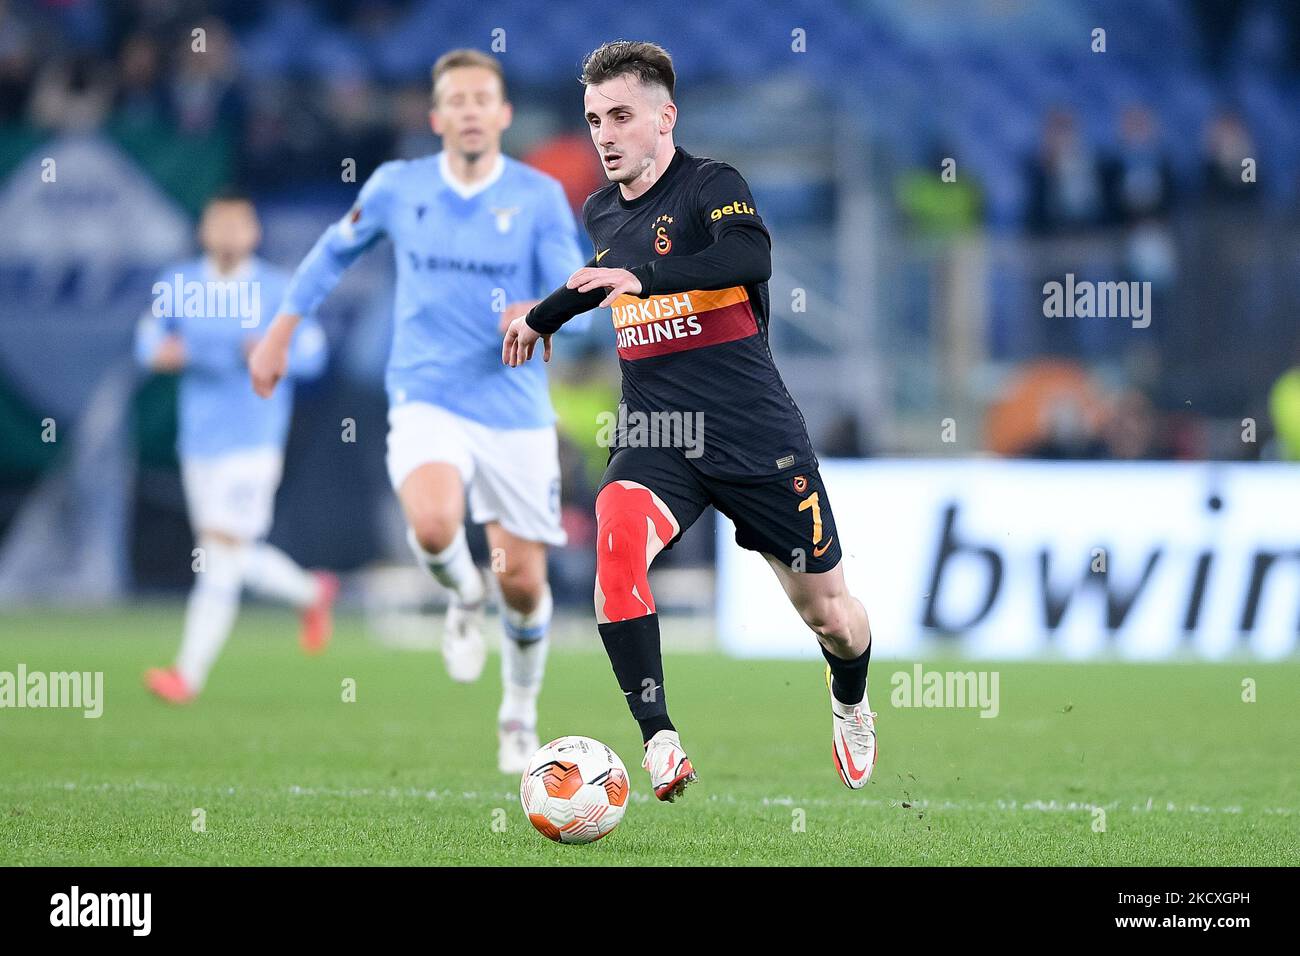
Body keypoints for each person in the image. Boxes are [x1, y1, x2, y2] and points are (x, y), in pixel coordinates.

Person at [502, 41, 876, 800]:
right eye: (593, 119)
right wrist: (542, 318)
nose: (603, 135)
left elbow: (748, 257)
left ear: (664, 118)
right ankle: (659, 740)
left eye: (620, 116)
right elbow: (596, 283)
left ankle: (850, 701)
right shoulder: (599, 207)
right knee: (615, 538)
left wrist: (642, 277)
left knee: (831, 615)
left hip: (754, 437)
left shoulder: (712, 185)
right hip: (658, 434)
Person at [250, 50, 591, 774]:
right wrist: (282, 328)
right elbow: (331, 253)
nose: (469, 110)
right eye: (455, 100)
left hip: (513, 405)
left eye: (482, 98)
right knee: (434, 525)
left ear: (502, 115)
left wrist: (545, 313)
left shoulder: (536, 198)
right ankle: (462, 596)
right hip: (426, 393)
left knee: (524, 584)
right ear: (437, 118)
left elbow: (583, 298)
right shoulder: (398, 187)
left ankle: (519, 716)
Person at [137, 191, 335, 704]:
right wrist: (217, 350)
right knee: (228, 551)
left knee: (220, 553)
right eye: (218, 224)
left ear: (254, 233)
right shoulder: (178, 284)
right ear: (204, 231)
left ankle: (187, 674)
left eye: (238, 225)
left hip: (254, 438)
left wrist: (273, 349)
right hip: (199, 440)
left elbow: (312, 354)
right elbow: (148, 348)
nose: (228, 234)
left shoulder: (276, 288)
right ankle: (312, 592)